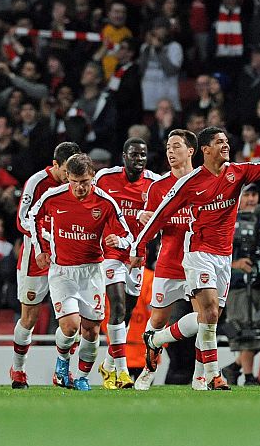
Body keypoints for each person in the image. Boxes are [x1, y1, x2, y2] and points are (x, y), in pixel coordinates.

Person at [132, 126, 260, 390]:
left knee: (209, 318)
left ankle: (161, 343)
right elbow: (159, 215)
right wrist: (138, 247)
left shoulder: (237, 173)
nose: (226, 146)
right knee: (209, 312)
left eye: (226, 141)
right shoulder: (188, 183)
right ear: (205, 149)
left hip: (223, 257)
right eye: (219, 142)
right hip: (197, 253)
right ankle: (213, 375)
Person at [28, 153, 133, 391]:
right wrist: (41, 248)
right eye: (74, 181)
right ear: (67, 177)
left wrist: (119, 240)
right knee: (70, 326)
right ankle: (62, 363)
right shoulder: (53, 197)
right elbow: (33, 217)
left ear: (93, 178)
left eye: (84, 181)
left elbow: (127, 234)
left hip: (92, 272)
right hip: (62, 272)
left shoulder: (105, 202)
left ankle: (83, 377)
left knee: (92, 329)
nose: (79, 187)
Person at [133, 129, 199, 390]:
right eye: (168, 148)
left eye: (176, 147)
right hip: (168, 263)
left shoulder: (205, 182)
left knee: (207, 319)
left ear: (191, 151)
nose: (171, 152)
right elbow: (148, 225)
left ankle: (205, 375)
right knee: (157, 320)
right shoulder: (158, 187)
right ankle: (148, 371)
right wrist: (145, 220)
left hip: (198, 262)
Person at [10, 141, 80, 389]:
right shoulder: (37, 183)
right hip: (36, 258)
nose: (71, 176)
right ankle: (18, 369)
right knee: (29, 317)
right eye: (66, 171)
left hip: (68, 260)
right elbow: (21, 220)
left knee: (73, 321)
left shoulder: (77, 184)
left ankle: (62, 371)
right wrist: (46, 238)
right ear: (55, 165)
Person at [93, 138, 159, 389]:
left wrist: (146, 220)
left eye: (143, 155)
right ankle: (122, 374)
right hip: (110, 252)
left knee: (127, 314)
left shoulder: (154, 183)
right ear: (124, 156)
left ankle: (107, 366)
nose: (138, 159)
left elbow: (159, 222)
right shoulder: (105, 179)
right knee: (118, 307)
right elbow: (93, 208)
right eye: (134, 154)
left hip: (136, 256)